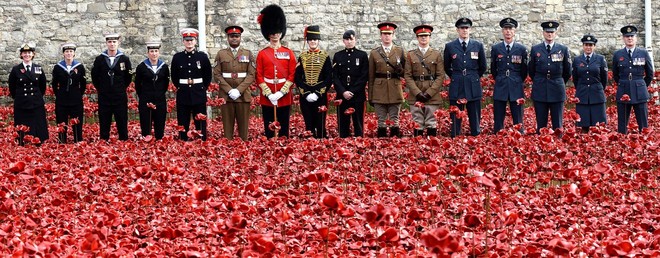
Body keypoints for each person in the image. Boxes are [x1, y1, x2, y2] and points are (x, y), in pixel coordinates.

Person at [256, 4, 296, 138]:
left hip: (283, 94)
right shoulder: (262, 54)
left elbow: (292, 75)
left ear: (281, 33)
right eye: (272, 33)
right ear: (268, 34)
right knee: (269, 125)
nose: (275, 36)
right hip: (268, 96)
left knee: (284, 125)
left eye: (278, 33)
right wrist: (268, 93)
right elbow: (259, 76)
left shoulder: (288, 52)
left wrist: (281, 92)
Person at [443, 17, 487, 137]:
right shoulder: (450, 46)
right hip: (457, 84)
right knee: (455, 117)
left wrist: (473, 76)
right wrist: (456, 76)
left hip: (473, 83)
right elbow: (447, 66)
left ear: (470, 29)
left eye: (467, 28)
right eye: (462, 28)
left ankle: (475, 137)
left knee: (475, 116)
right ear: (457, 30)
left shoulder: (477, 45)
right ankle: (455, 138)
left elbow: (483, 66)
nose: (464, 30)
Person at [213, 25, 256, 141]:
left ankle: (243, 149)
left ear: (240, 38)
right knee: (227, 128)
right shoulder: (221, 54)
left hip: (243, 95)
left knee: (244, 129)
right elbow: (216, 74)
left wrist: (238, 90)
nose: (234, 38)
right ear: (228, 38)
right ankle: (227, 150)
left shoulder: (247, 54)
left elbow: (251, 74)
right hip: (226, 96)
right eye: (232, 36)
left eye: (236, 36)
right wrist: (229, 90)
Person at [528, 21, 571, 133]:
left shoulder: (563, 49)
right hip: (540, 88)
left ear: (556, 33)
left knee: (558, 125)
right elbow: (531, 70)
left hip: (557, 89)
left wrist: (558, 81)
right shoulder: (535, 49)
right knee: (541, 125)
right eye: (547, 32)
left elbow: (567, 71)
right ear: (543, 33)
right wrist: (539, 80)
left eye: (552, 32)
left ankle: (558, 147)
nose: (549, 34)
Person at [171, 28, 213, 141]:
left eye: (192, 40)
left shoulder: (202, 57)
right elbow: (174, 76)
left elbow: (208, 75)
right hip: (183, 92)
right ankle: (183, 139)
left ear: (196, 41)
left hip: (198, 92)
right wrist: (180, 87)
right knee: (183, 120)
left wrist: (203, 88)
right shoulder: (177, 57)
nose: (189, 42)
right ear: (183, 41)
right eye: (187, 40)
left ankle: (201, 139)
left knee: (200, 120)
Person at [404, 24, 445, 137]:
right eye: (421, 36)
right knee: (417, 122)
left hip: (432, 95)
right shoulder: (411, 55)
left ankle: (431, 149)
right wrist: (417, 93)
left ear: (429, 37)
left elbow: (440, 76)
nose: (423, 38)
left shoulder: (436, 54)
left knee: (432, 122)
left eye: (426, 36)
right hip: (416, 94)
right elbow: (407, 75)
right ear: (417, 38)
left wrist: (429, 93)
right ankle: (417, 149)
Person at [612, 25, 654, 134]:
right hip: (624, 89)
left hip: (639, 89)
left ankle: (645, 143)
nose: (629, 38)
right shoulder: (617, 54)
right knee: (622, 122)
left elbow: (649, 73)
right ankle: (622, 143)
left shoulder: (643, 53)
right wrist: (622, 83)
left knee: (643, 123)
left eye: (632, 36)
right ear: (623, 38)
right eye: (627, 36)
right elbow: (615, 74)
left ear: (636, 38)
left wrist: (642, 85)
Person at [91, 32, 132, 141]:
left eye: (114, 42)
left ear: (118, 43)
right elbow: (95, 76)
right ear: (106, 43)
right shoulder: (100, 59)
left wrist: (121, 87)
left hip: (119, 96)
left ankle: (123, 140)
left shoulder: (124, 59)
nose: (112, 44)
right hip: (104, 96)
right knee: (104, 120)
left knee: (122, 119)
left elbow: (128, 77)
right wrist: (101, 89)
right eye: (109, 42)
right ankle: (104, 141)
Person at [490, 18, 528, 134]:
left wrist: (517, 79)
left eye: (510, 29)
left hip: (516, 83)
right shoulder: (496, 48)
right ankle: (498, 136)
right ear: (502, 31)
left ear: (514, 31)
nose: (508, 31)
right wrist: (500, 78)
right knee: (499, 115)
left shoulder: (521, 49)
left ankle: (519, 136)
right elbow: (493, 69)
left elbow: (524, 70)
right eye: (505, 29)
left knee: (518, 116)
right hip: (501, 83)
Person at [368, 22, 405, 137]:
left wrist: (401, 70)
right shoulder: (374, 53)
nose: (387, 36)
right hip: (379, 89)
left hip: (395, 87)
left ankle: (395, 144)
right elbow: (371, 75)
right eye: (384, 34)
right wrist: (371, 95)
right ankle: (381, 144)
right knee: (381, 120)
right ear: (380, 36)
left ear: (393, 35)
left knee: (395, 119)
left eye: (389, 34)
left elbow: (406, 72)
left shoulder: (399, 51)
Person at [295, 25, 332, 138]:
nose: (312, 42)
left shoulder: (325, 56)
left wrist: (317, 93)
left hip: (320, 96)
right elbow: (298, 77)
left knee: (320, 125)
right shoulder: (302, 56)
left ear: (318, 41)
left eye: (315, 40)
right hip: (305, 96)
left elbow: (328, 78)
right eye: (310, 40)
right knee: (308, 124)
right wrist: (305, 93)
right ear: (307, 41)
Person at [8, 43, 48, 145]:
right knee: (22, 125)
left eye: (29, 53)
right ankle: (22, 142)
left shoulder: (38, 68)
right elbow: (12, 87)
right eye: (24, 53)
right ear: (21, 55)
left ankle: (38, 141)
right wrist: (18, 98)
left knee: (38, 124)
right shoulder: (16, 69)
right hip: (22, 103)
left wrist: (37, 97)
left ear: (33, 54)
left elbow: (42, 86)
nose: (27, 55)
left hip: (36, 102)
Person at [333, 29, 368, 138]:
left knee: (358, 124)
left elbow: (364, 76)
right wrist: (343, 92)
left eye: (351, 39)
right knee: (342, 124)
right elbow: (335, 76)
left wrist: (352, 91)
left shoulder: (362, 55)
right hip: (342, 96)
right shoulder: (338, 56)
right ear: (343, 41)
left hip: (357, 95)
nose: (349, 42)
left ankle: (359, 147)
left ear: (355, 40)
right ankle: (343, 146)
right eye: (347, 39)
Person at [572, 34, 608, 133]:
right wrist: (580, 88)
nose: (588, 47)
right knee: (583, 124)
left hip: (597, 94)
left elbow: (604, 78)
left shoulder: (600, 59)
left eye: (591, 45)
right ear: (583, 46)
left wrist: (599, 89)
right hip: (582, 95)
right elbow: (575, 78)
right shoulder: (577, 60)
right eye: (586, 45)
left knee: (599, 125)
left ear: (594, 46)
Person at [134, 39, 170, 140]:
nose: (154, 54)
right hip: (146, 99)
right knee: (146, 125)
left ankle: (159, 141)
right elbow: (138, 84)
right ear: (148, 53)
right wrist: (144, 96)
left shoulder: (164, 67)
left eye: (156, 51)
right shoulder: (141, 67)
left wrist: (160, 93)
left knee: (160, 124)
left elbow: (166, 83)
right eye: (152, 51)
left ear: (159, 52)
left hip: (160, 99)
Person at [51, 43, 86, 143]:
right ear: (63, 54)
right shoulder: (58, 67)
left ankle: (77, 141)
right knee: (61, 122)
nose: (69, 53)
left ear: (74, 53)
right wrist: (59, 94)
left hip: (76, 99)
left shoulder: (79, 67)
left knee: (77, 122)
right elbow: (54, 84)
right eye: (66, 51)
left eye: (71, 51)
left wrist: (78, 94)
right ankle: (62, 141)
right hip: (62, 99)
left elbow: (83, 84)